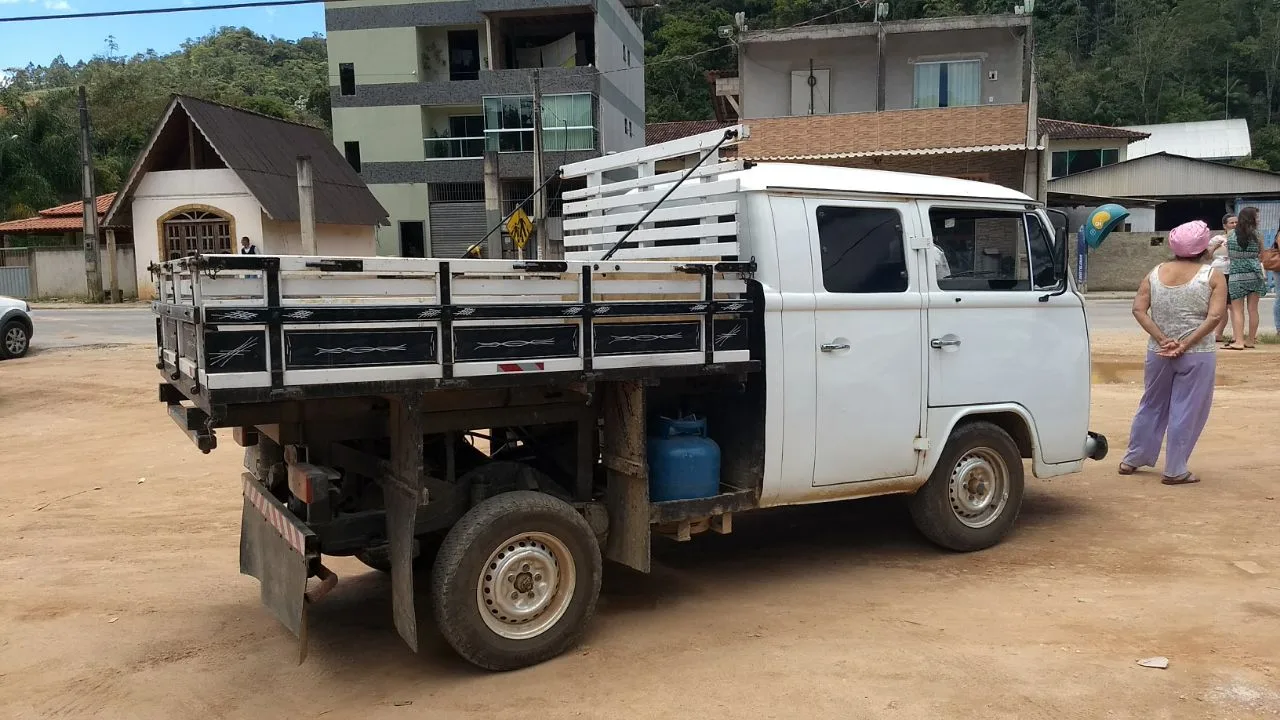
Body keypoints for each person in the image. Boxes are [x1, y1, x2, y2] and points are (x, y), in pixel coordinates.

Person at [1118, 220, 1226, 486]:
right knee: (1186, 409)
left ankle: (1132, 458)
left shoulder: (1155, 272)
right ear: (1204, 247)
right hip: (1197, 353)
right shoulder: (1212, 276)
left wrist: (1162, 339)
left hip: (1158, 352)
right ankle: (1175, 468)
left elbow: (1138, 309)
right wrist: (1184, 345)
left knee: (1151, 404)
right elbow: (1214, 317)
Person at [1225, 207, 1266, 350]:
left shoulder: (1230, 234)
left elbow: (1229, 253)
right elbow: (1262, 255)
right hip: (1254, 272)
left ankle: (1239, 341)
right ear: (1251, 219)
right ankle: (1250, 340)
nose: (1259, 219)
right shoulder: (1258, 234)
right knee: (1253, 309)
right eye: (1257, 217)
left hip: (1236, 273)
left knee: (1237, 310)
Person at [1207, 213, 1236, 342]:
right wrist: (1215, 246)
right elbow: (1207, 255)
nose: (1235, 225)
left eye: (1236, 223)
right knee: (1221, 306)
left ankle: (1237, 335)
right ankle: (1218, 334)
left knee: (1233, 306)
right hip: (1219, 273)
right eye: (1231, 223)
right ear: (1225, 225)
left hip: (1234, 272)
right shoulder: (1217, 239)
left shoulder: (1241, 238)